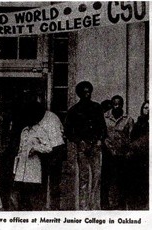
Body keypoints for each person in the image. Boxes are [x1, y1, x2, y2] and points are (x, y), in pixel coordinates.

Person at [11, 101, 65, 211]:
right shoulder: (24, 131)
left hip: (41, 162)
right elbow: (20, 149)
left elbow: (53, 147)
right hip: (23, 166)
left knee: (39, 189)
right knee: (22, 190)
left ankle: (49, 208)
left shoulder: (49, 121)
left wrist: (36, 149)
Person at [64, 81, 107, 210]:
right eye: (84, 92)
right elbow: (67, 131)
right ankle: (83, 206)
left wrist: (99, 140)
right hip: (82, 146)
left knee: (97, 176)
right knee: (83, 177)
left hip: (95, 145)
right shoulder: (74, 110)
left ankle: (95, 205)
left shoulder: (97, 107)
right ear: (79, 94)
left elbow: (103, 127)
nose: (87, 95)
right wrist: (78, 141)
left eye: (89, 92)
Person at [104, 95, 134, 210]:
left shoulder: (128, 119)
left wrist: (127, 152)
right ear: (111, 104)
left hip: (122, 155)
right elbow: (103, 135)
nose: (117, 106)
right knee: (107, 181)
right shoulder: (104, 118)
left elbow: (130, 137)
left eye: (119, 104)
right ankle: (106, 206)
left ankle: (121, 206)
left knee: (121, 181)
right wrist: (110, 149)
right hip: (108, 155)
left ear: (122, 105)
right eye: (114, 104)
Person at [126, 101, 148, 210]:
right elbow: (132, 138)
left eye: (149, 108)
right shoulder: (139, 123)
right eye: (145, 108)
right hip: (138, 158)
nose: (147, 110)